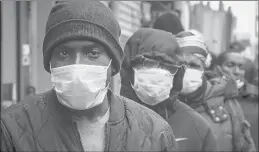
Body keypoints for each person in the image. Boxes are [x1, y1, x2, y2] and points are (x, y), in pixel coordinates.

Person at [1, 2, 178, 151]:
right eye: (63, 53)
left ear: (113, 63)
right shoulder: (12, 129)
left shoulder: (154, 134)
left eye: (92, 53)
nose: (77, 64)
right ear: (49, 62)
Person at [120, 27, 218, 151]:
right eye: (149, 63)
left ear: (177, 74)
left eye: (168, 67)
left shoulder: (197, 126)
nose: (158, 72)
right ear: (129, 67)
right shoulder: (106, 117)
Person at [176, 30, 256, 152]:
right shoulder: (159, 103)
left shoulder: (229, 104)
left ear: (204, 67)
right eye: (181, 64)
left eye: (194, 65)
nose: (186, 70)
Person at [214, 47, 258, 150]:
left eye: (241, 67)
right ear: (217, 69)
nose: (237, 71)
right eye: (230, 65)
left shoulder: (255, 97)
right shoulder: (207, 95)